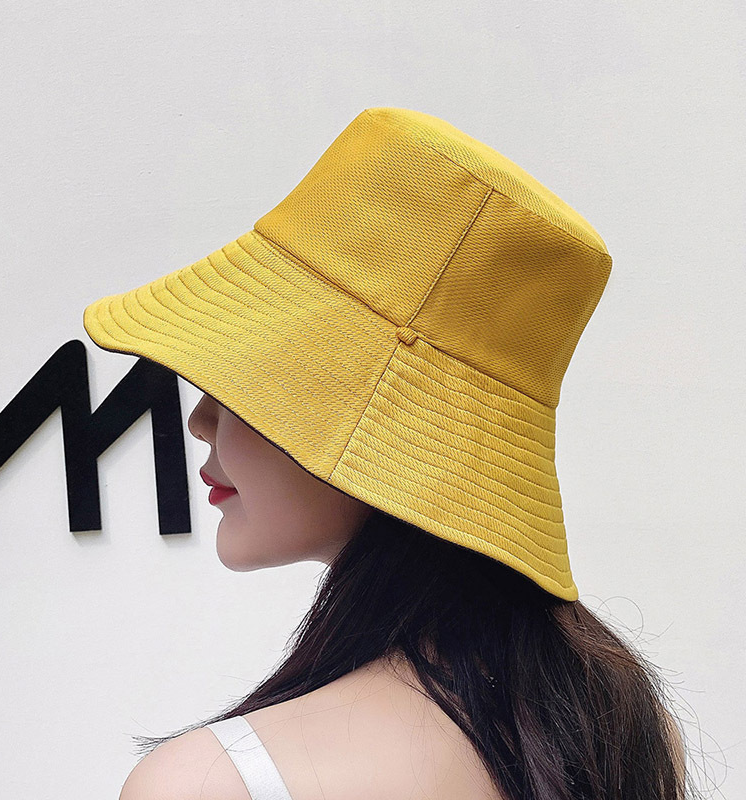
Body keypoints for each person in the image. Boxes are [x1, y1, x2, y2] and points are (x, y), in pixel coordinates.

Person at [84, 107, 694, 800]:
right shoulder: (621, 727)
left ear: (379, 426)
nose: (200, 420)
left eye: (251, 381)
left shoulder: (209, 784)